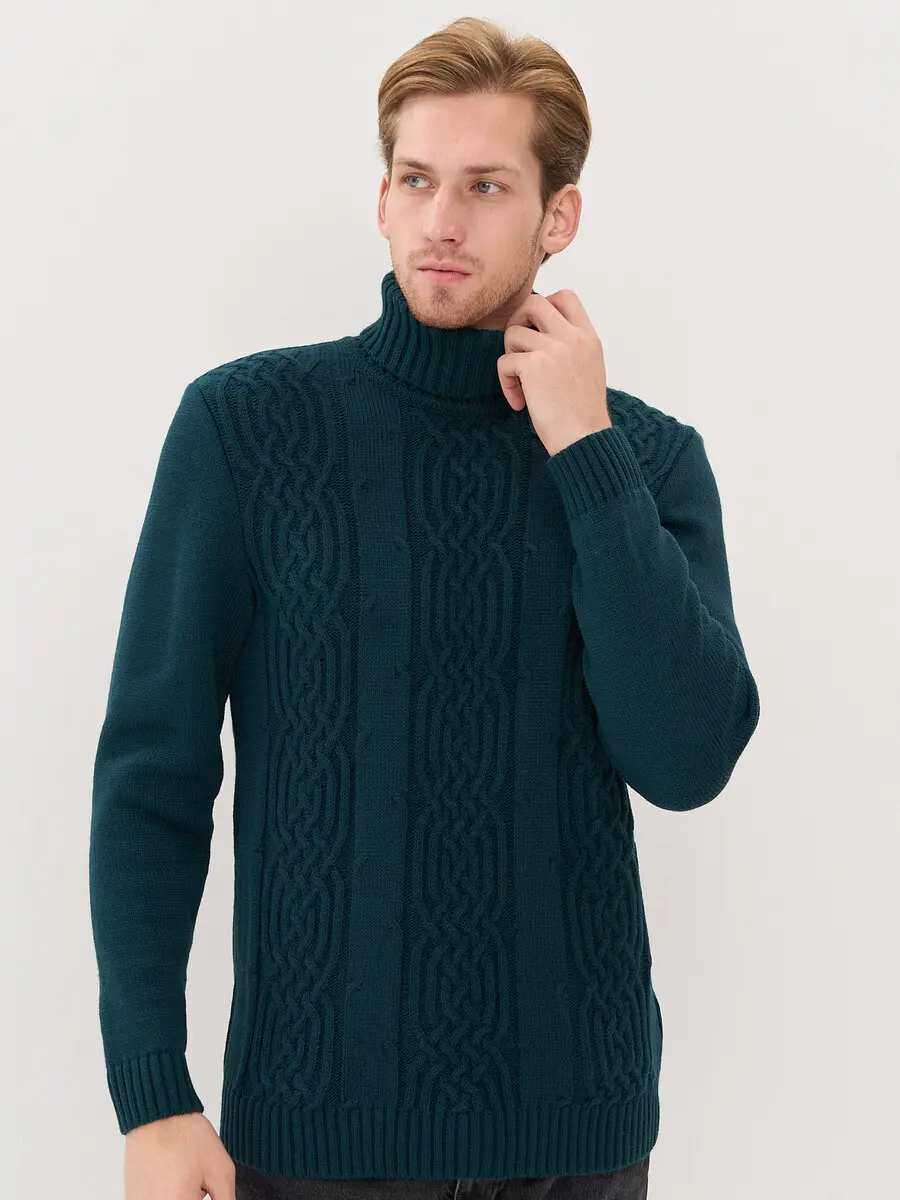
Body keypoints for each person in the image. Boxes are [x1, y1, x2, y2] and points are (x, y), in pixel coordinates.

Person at [89, 16, 761, 1200]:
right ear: (383, 196)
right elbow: (154, 771)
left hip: (577, 1146)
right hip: (313, 1137)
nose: (442, 220)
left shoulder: (643, 461)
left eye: (486, 186)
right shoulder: (246, 431)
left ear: (558, 216)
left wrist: (585, 448)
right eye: (417, 180)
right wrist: (151, 1093)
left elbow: (688, 757)